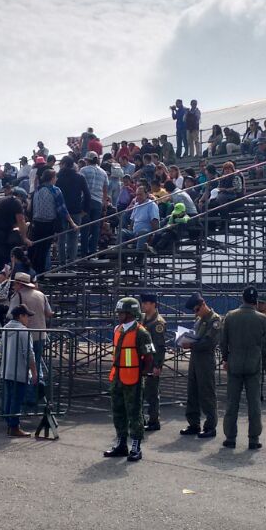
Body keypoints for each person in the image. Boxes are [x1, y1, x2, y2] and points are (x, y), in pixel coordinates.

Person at [104, 297, 155, 462]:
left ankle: (136, 447)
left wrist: (142, 374)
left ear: (131, 313)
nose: (119, 315)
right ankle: (121, 444)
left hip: (133, 379)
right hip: (117, 377)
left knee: (134, 413)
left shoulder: (142, 333)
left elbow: (149, 357)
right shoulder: (117, 329)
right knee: (118, 411)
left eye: (122, 312)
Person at [219, 286, 266, 449]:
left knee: (232, 402)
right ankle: (253, 439)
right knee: (254, 403)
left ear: (243, 298)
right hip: (254, 364)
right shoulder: (262, 318)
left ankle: (230, 438)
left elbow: (223, 341)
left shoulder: (230, 316)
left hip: (234, 364)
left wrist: (225, 358)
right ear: (256, 301)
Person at [180, 293, 221, 438]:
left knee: (207, 393)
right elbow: (195, 336)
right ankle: (193, 424)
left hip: (205, 359)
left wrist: (190, 345)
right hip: (195, 359)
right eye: (194, 311)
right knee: (192, 391)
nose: (196, 313)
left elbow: (209, 342)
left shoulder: (214, 320)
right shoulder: (199, 320)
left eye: (197, 310)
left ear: (203, 304)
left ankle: (210, 426)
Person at [9, 272, 52, 406]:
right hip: (41, 333)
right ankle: (39, 382)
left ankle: (30, 393)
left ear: (19, 284)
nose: (13, 287)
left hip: (25, 333)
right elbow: (49, 313)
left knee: (25, 364)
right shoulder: (41, 295)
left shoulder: (18, 296)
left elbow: (11, 315)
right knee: (36, 361)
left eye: (15, 284)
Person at [28, 169, 77, 274]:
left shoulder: (37, 190)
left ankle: (36, 272)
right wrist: (72, 223)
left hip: (36, 223)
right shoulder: (55, 190)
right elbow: (62, 209)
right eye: (55, 177)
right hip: (48, 223)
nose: (56, 179)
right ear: (52, 178)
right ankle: (41, 273)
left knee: (37, 248)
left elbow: (31, 208)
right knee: (44, 249)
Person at [1, 304, 38, 438]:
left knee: (9, 398)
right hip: (19, 370)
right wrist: (34, 372)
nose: (28, 319)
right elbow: (29, 353)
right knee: (17, 399)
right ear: (21, 316)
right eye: (27, 316)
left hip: (6, 369)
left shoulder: (5, 328)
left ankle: (10, 424)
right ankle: (14, 426)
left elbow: (1, 349)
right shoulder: (23, 331)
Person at [139, 294, 167, 431]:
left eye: (146, 303)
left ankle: (154, 421)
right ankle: (142, 419)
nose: (143, 305)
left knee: (152, 393)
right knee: (141, 392)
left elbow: (160, 346)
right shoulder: (143, 318)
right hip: (143, 360)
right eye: (143, 303)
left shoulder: (158, 323)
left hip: (152, 361)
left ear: (153, 304)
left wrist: (157, 365)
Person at [79, 152, 108, 257]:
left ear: (88, 160)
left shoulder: (83, 170)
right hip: (98, 202)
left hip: (86, 201)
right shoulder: (103, 172)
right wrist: (104, 202)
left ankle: (84, 253)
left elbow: (80, 186)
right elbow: (105, 189)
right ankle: (92, 251)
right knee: (96, 228)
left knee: (85, 228)